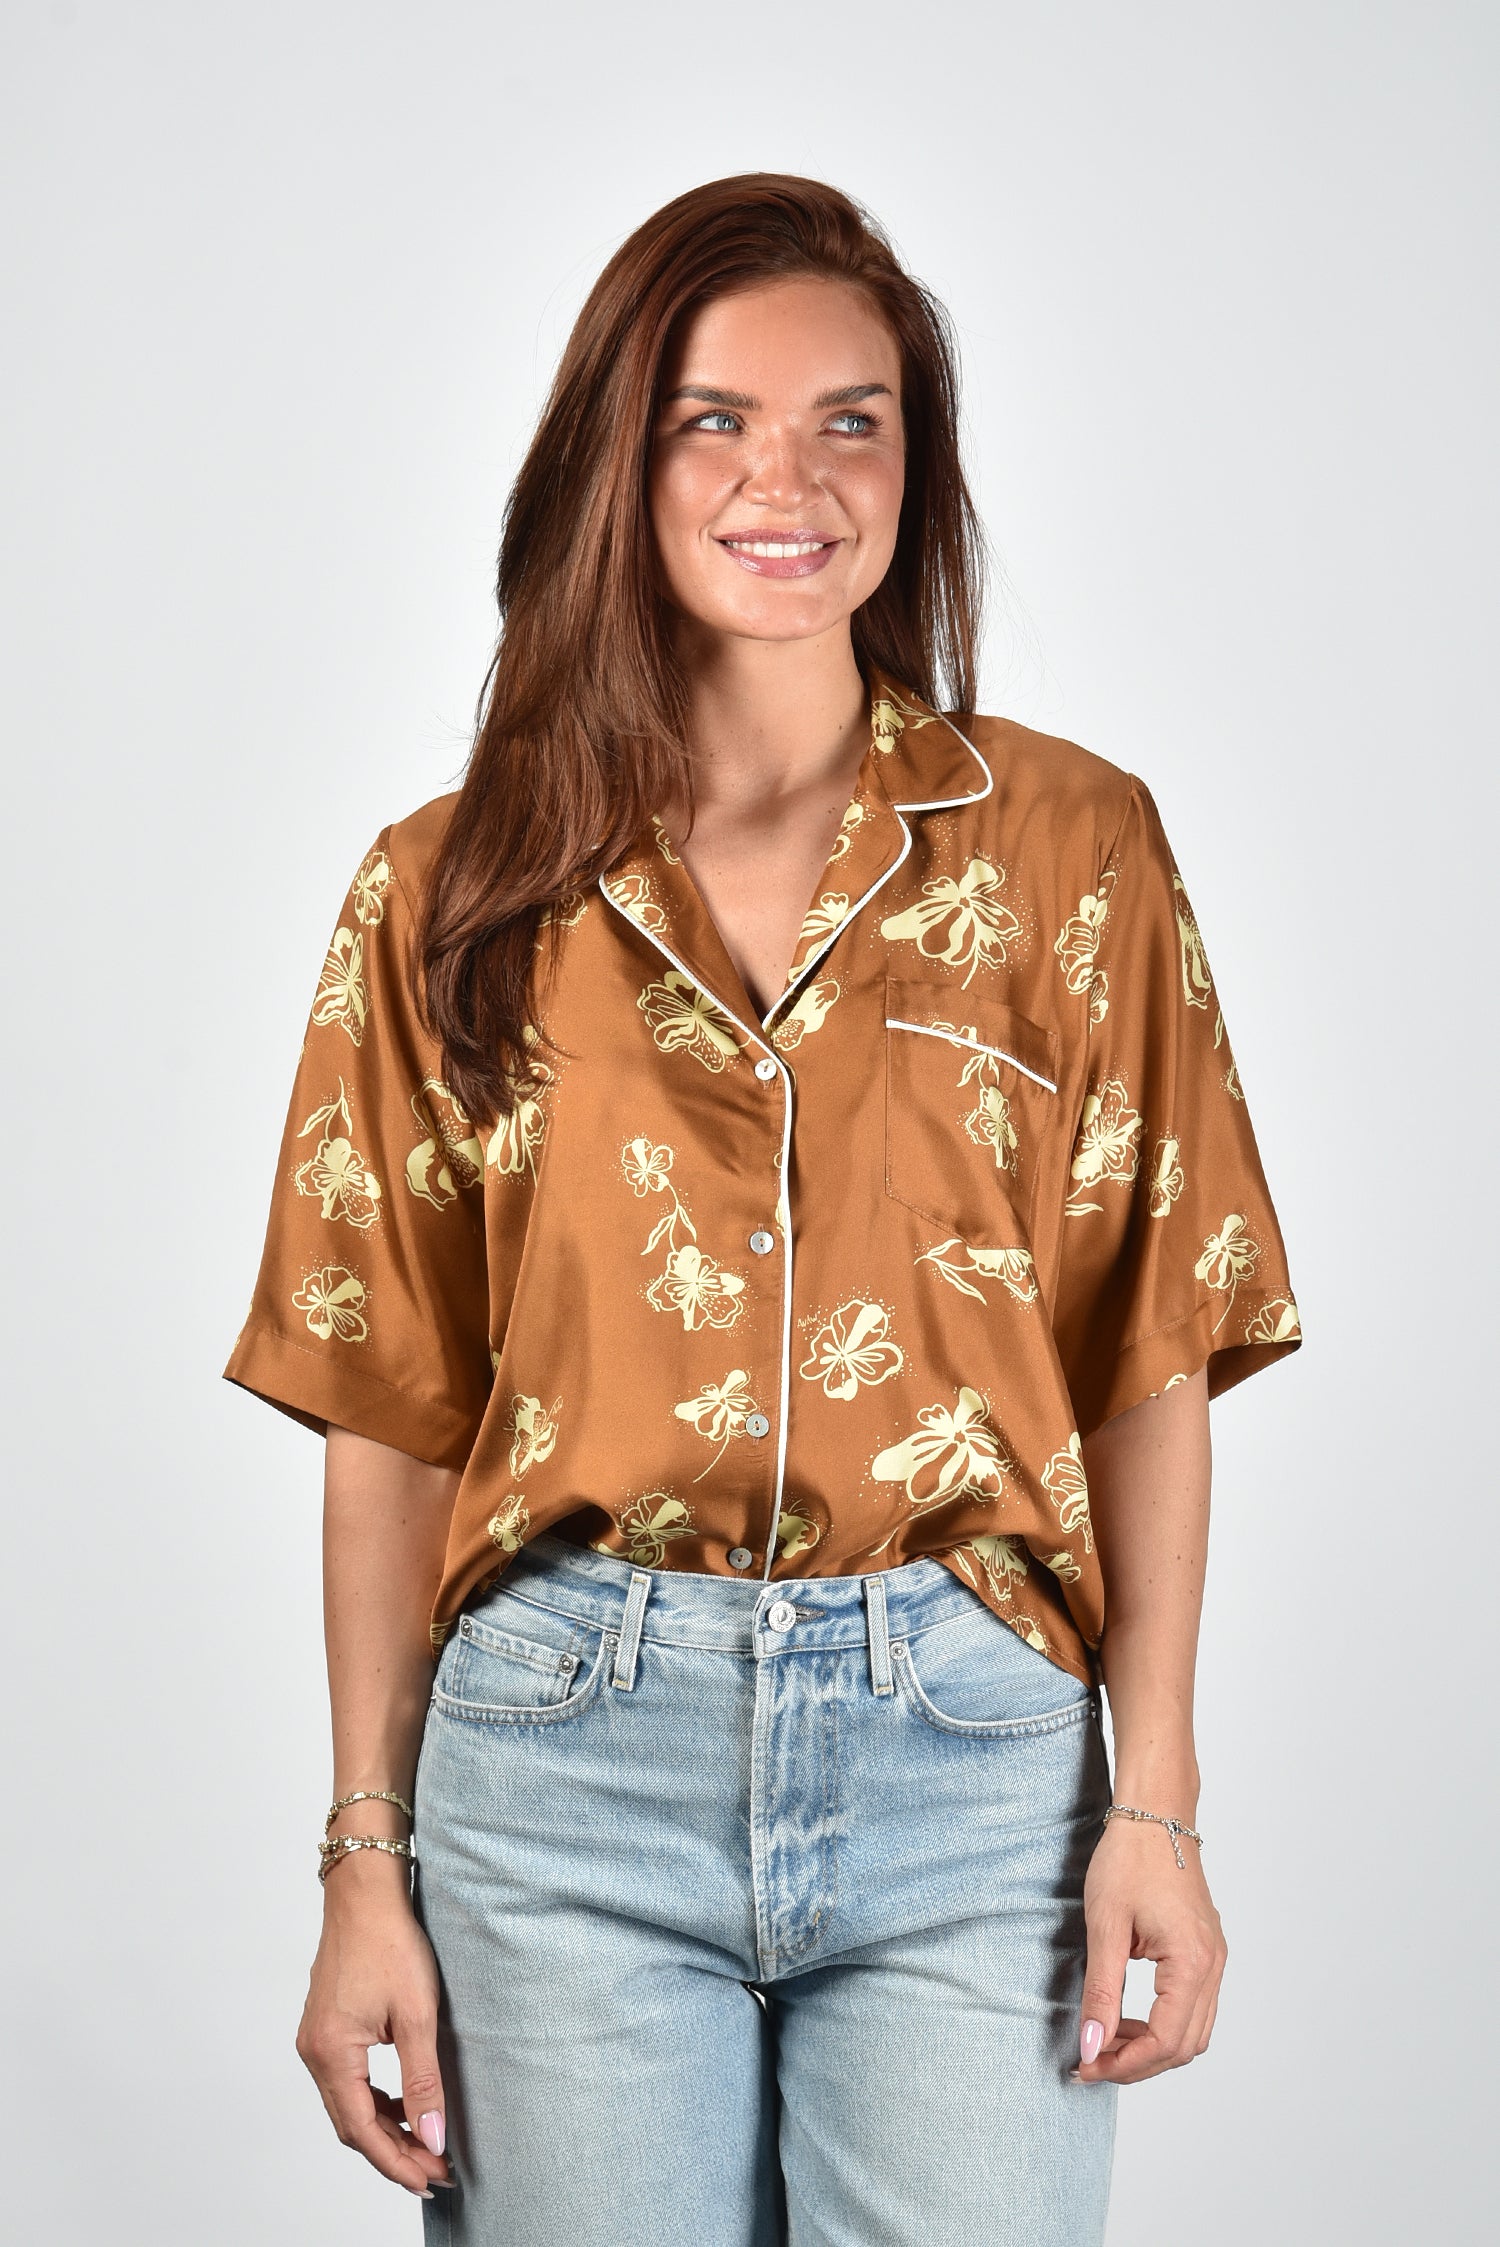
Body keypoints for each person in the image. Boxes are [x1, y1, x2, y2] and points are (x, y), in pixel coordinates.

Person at [224, 173, 1303, 2246]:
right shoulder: (451, 887)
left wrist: (1155, 1798)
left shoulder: (1070, 850)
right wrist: (365, 1857)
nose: (783, 478)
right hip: (563, 1764)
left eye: (849, 422)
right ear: (617, 466)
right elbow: (390, 1411)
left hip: (973, 1766)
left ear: (916, 468)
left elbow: (1149, 1350)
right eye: (712, 419)